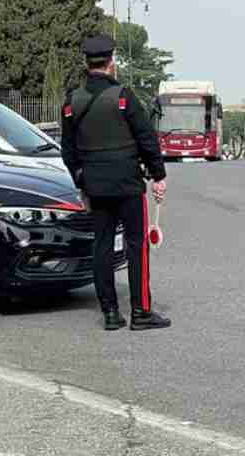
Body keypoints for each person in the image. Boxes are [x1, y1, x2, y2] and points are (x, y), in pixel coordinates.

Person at [62, 34, 171, 332]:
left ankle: (110, 313)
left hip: (95, 186)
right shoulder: (124, 96)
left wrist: (81, 182)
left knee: (102, 247)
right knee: (136, 247)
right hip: (127, 184)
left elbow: (68, 151)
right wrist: (158, 175)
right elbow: (146, 138)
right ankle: (141, 312)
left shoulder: (72, 101)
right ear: (111, 63)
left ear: (87, 64)